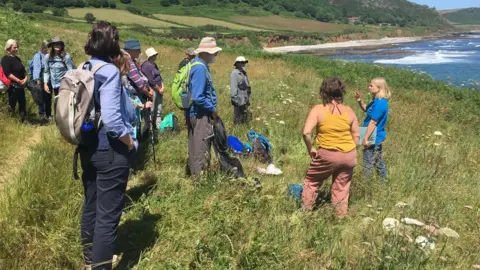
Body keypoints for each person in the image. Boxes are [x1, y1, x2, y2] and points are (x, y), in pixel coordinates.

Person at [79, 21, 135, 270]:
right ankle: (101, 267)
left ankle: (90, 259)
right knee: (108, 216)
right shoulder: (109, 72)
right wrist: (129, 140)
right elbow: (112, 119)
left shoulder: (81, 67)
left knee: (91, 204)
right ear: (112, 42)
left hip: (86, 147)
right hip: (109, 151)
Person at [302, 77, 360, 217]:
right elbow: (357, 135)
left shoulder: (318, 109)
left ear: (324, 92)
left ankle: (306, 212)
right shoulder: (349, 111)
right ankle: (339, 216)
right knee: (341, 188)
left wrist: (311, 148)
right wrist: (350, 151)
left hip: (328, 153)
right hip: (349, 154)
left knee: (312, 181)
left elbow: (306, 133)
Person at [187, 37, 221, 180]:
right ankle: (199, 179)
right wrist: (212, 109)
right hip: (201, 114)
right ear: (206, 53)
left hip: (198, 112)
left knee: (196, 146)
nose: (216, 56)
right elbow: (198, 96)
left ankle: (196, 174)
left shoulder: (198, 65)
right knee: (201, 146)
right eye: (214, 53)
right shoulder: (200, 68)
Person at [355, 78, 391, 180]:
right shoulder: (375, 100)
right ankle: (383, 180)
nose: (369, 87)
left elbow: (373, 122)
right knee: (377, 160)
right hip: (370, 132)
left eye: (371, 86)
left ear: (379, 88)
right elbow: (366, 109)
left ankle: (367, 183)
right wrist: (359, 101)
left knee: (368, 162)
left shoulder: (380, 103)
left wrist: (366, 138)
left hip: (372, 134)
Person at [123, 39, 153, 138]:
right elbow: (139, 82)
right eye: (138, 50)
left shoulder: (130, 61)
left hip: (134, 95)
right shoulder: (128, 62)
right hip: (134, 96)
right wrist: (148, 92)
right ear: (131, 50)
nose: (140, 52)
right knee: (135, 122)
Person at [1, 39, 27, 122]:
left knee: (22, 104)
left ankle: (23, 121)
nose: (16, 49)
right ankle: (10, 121)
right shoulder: (6, 59)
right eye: (14, 47)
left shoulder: (17, 59)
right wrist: (18, 80)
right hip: (12, 86)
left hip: (21, 86)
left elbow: (23, 71)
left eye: (17, 47)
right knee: (12, 104)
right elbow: (8, 73)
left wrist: (25, 79)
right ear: (9, 48)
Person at [43, 37, 74, 101]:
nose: (58, 45)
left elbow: (71, 72)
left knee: (63, 103)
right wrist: (45, 84)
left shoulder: (66, 57)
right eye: (56, 44)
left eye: (59, 44)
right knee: (57, 102)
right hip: (54, 85)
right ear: (52, 45)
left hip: (64, 85)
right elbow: (46, 71)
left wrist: (71, 84)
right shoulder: (47, 57)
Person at [141, 47, 164, 130]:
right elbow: (151, 80)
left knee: (159, 107)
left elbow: (159, 77)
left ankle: (158, 126)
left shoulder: (154, 64)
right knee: (152, 108)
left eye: (156, 54)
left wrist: (162, 86)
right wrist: (159, 89)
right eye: (154, 55)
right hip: (152, 89)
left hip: (159, 89)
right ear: (150, 56)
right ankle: (150, 128)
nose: (156, 56)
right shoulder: (146, 65)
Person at [230, 56, 251, 125]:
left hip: (244, 99)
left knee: (244, 118)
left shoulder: (243, 72)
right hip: (238, 100)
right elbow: (233, 88)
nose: (244, 64)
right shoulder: (234, 73)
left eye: (245, 62)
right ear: (237, 63)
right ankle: (236, 132)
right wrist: (235, 100)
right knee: (237, 120)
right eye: (242, 63)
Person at [31, 40, 49, 120]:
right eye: (48, 48)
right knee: (40, 97)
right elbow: (37, 68)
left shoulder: (47, 55)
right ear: (44, 48)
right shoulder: (38, 56)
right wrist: (37, 80)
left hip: (46, 79)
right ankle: (41, 114)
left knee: (47, 97)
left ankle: (47, 114)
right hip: (40, 80)